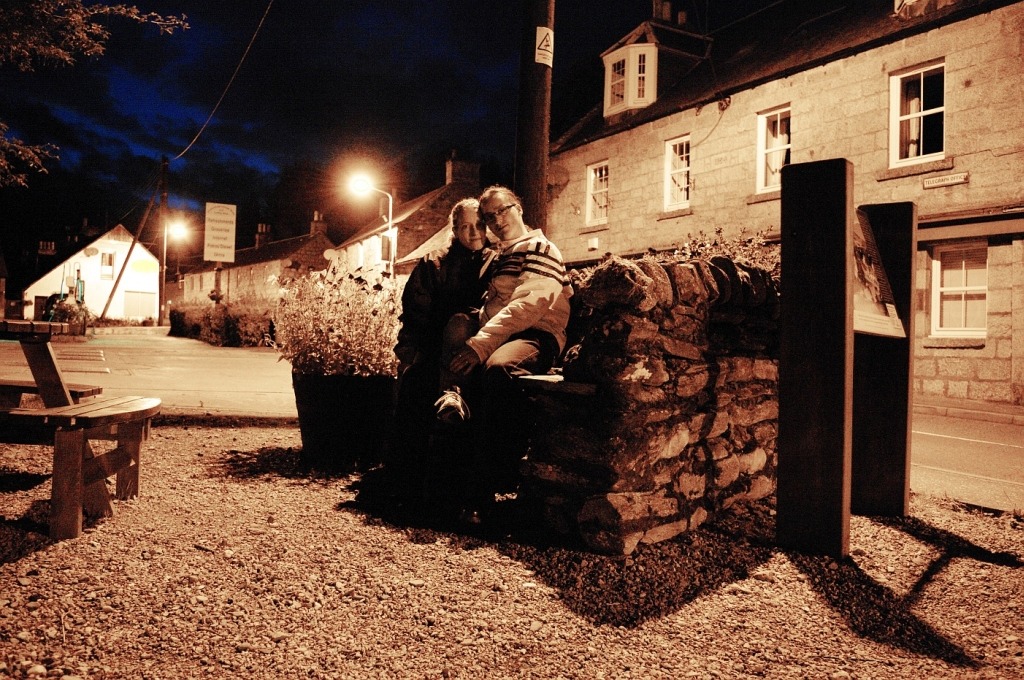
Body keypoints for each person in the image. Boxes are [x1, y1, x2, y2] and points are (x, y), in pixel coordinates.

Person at [441, 185, 573, 522]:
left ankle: (486, 491)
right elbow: (494, 305)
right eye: (489, 216)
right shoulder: (503, 255)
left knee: (498, 370)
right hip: (504, 332)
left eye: (503, 210)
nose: (497, 220)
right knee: (457, 328)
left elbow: (528, 306)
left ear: (519, 208)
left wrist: (479, 345)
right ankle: (445, 474)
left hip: (537, 335)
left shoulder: (539, 247)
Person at [388, 198, 491, 499]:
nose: (474, 233)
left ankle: (460, 487)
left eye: (480, 225)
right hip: (433, 351)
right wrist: (414, 355)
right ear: (455, 229)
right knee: (418, 388)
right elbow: (416, 314)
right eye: (466, 227)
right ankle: (411, 484)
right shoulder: (434, 263)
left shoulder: (495, 263)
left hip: (477, 352)